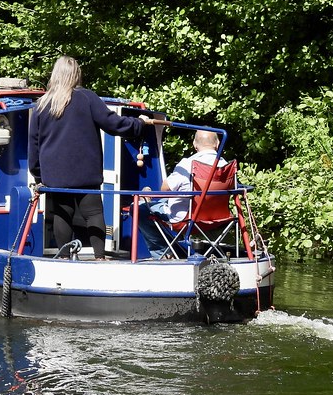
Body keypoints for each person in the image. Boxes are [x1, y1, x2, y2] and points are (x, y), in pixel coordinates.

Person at [28, 55, 150, 259]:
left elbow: (34, 143)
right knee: (93, 213)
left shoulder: (41, 105)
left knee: (62, 213)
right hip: (86, 172)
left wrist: (39, 175)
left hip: (55, 175)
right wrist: (139, 124)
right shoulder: (87, 98)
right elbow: (114, 124)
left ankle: (64, 258)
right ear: (77, 74)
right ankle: (100, 257)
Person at [138, 129, 228, 258]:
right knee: (163, 202)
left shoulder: (188, 164)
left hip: (185, 218)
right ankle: (175, 249)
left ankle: (164, 253)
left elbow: (165, 189)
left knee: (138, 209)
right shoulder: (226, 166)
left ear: (194, 144)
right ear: (218, 143)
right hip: (216, 218)